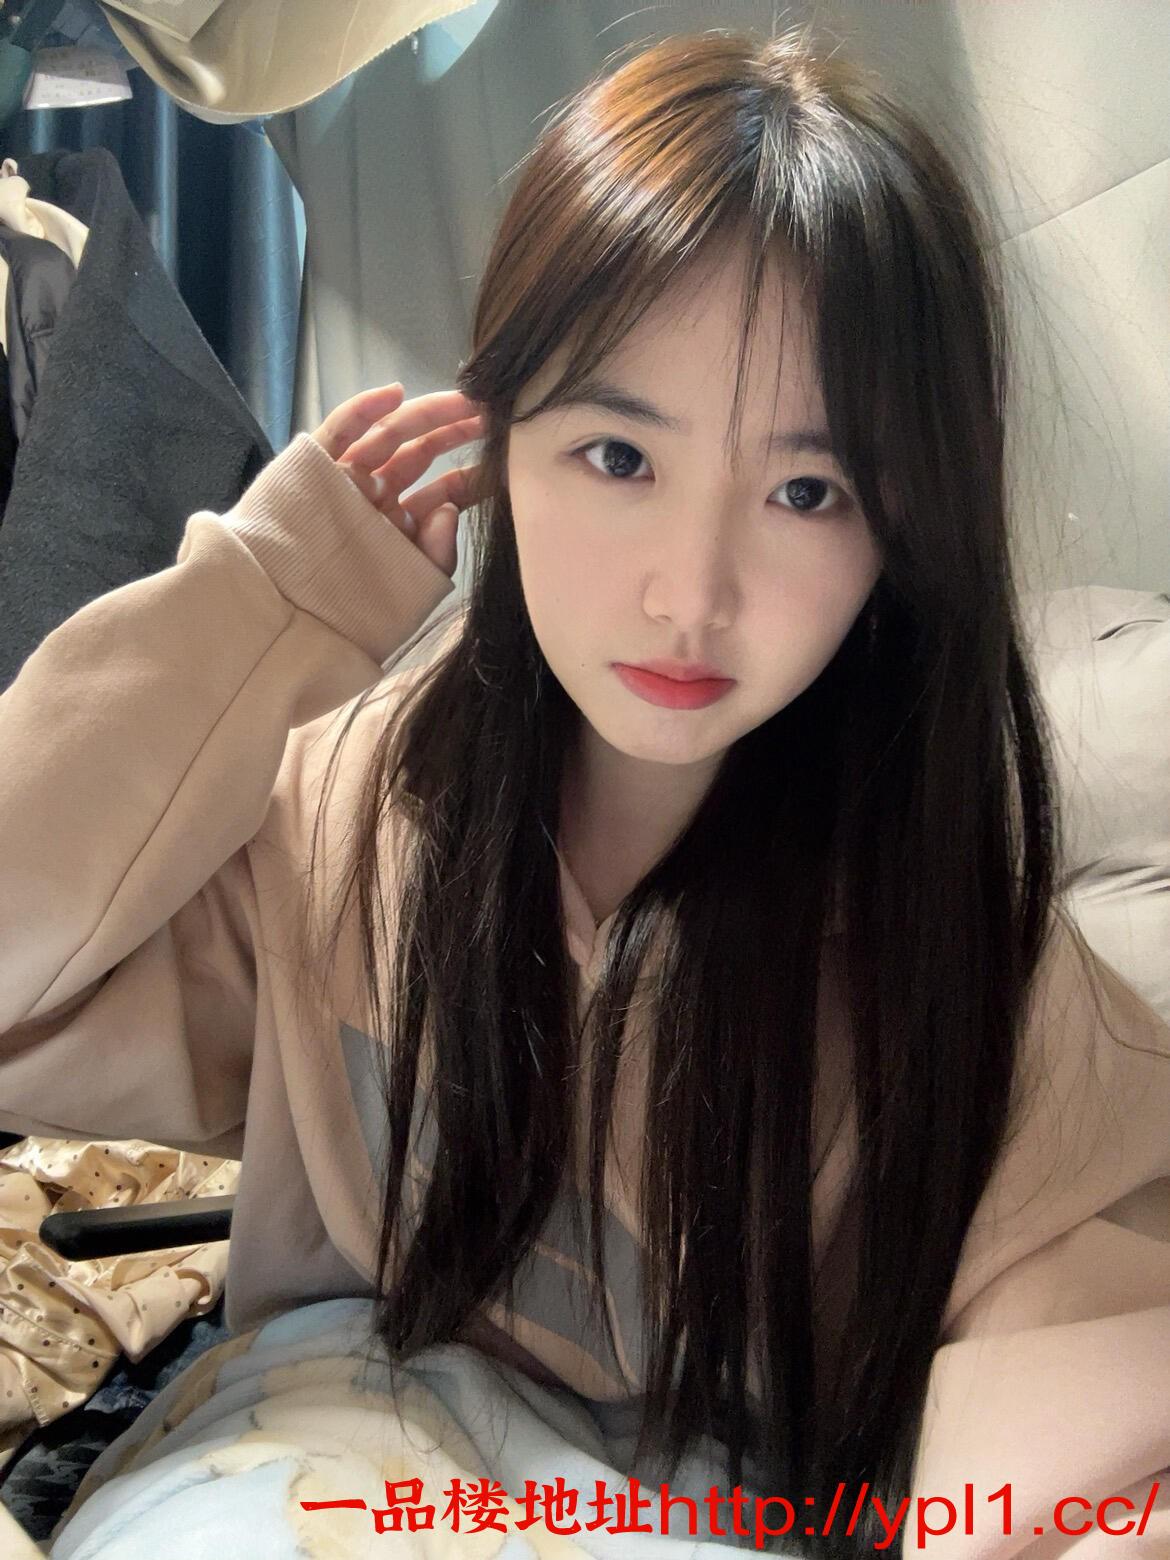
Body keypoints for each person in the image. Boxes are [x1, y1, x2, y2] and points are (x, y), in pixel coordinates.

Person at [1, 24, 1167, 1559]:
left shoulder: (960, 966)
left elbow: (1088, 1380)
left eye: (805, 490)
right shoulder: (342, 824)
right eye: (618, 455)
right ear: (499, 443)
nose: (692, 592)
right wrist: (271, 597)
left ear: (902, 527)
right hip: (319, 1452)